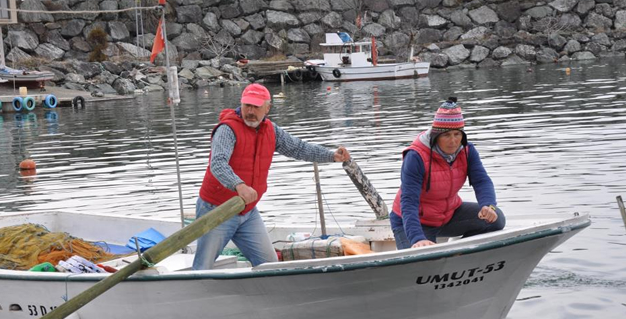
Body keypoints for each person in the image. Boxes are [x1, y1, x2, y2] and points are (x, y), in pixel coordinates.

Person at [193, 83, 351, 270]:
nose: (250, 111)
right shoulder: (227, 130)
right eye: (247, 105)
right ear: (241, 104)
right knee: (203, 266)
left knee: (270, 265)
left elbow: (298, 148)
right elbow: (218, 163)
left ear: (267, 108)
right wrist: (239, 185)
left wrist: (331, 156)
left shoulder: (271, 130)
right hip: (217, 209)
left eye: (256, 107)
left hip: (247, 211)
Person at [390, 97, 505, 249]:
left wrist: (488, 205)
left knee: (496, 220)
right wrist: (417, 238)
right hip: (414, 221)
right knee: (423, 254)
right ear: (435, 136)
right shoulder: (415, 157)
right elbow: (409, 201)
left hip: (448, 215)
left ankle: (461, 251)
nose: (453, 141)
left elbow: (481, 181)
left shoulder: (467, 150)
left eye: (457, 134)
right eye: (446, 135)